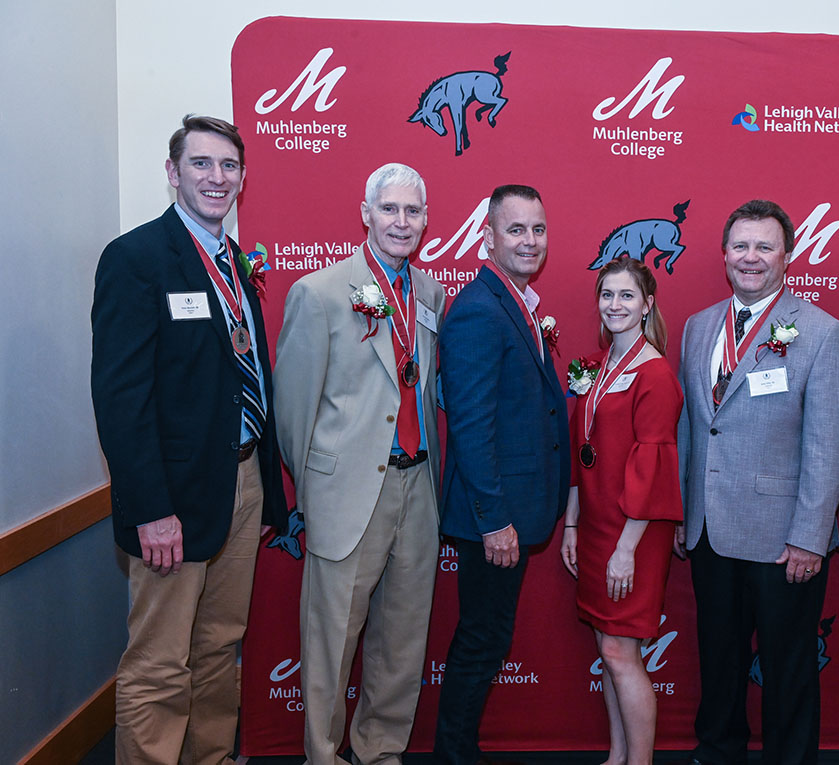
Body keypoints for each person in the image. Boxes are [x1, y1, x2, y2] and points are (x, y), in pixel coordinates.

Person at [91, 114, 288, 764]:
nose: (216, 176)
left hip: (242, 482)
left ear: (243, 178)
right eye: (201, 163)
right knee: (160, 660)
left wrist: (263, 485)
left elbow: (242, 374)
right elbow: (122, 400)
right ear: (173, 173)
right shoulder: (137, 258)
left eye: (228, 165)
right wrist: (150, 507)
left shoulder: (234, 264)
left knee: (217, 647)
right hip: (170, 497)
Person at [273, 163, 445, 765]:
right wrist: (319, 486)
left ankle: (379, 751)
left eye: (413, 211)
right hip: (347, 494)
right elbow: (292, 414)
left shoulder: (428, 293)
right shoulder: (318, 293)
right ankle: (323, 755)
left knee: (402, 638)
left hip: (417, 486)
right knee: (330, 642)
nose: (402, 222)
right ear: (366, 213)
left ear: (426, 220)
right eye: (390, 209)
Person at [675, 199, 839, 765]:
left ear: (788, 255)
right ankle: (718, 751)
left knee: (789, 668)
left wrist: (808, 536)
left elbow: (829, 446)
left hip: (783, 540)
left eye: (764, 246)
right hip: (709, 530)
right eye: (740, 246)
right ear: (725, 254)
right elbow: (691, 429)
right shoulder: (699, 327)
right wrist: (683, 512)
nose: (751, 258)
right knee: (719, 661)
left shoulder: (822, 334)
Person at [433, 184, 570, 765]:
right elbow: (470, 426)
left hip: (511, 511)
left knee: (487, 641)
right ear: (487, 237)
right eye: (515, 229)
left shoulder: (518, 304)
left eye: (537, 229)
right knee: (481, 643)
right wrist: (493, 522)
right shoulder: (477, 310)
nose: (529, 241)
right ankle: (455, 756)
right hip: (493, 517)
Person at [560, 258, 683, 765]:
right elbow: (580, 449)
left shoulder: (654, 374)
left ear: (647, 303)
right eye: (607, 295)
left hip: (635, 532)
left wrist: (626, 550)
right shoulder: (594, 364)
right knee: (608, 650)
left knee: (620, 652)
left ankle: (640, 762)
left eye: (627, 296)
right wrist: (571, 523)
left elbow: (652, 470)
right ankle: (616, 756)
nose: (615, 305)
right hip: (593, 527)